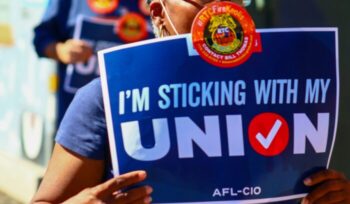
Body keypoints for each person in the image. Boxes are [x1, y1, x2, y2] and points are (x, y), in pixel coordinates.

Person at [31, 0, 350, 203]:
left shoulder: (278, 95)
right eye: (205, 0)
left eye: (231, 1)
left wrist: (333, 196)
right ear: (158, 12)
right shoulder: (105, 98)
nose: (221, 12)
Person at [33, 0, 153, 126]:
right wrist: (61, 51)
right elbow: (41, 39)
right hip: (77, 121)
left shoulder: (158, 3)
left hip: (139, 116)